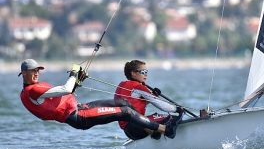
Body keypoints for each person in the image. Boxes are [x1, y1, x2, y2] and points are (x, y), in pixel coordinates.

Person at [18, 59, 178, 138]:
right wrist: (74, 74)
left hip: (80, 108)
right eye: (33, 71)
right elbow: (66, 88)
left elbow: (67, 92)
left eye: (38, 70)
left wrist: (79, 79)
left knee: (123, 103)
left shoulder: (34, 90)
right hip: (79, 117)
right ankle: (164, 129)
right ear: (24, 73)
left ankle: (148, 128)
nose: (36, 73)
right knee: (126, 112)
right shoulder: (32, 90)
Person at [114, 60, 183, 140]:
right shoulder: (138, 87)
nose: (146, 75)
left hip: (128, 131)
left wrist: (153, 95)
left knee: (156, 118)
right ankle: (166, 131)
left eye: (146, 72)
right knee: (169, 118)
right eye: (143, 72)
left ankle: (155, 134)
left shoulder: (122, 85)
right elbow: (159, 104)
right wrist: (177, 109)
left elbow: (135, 104)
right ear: (133, 73)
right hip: (137, 126)